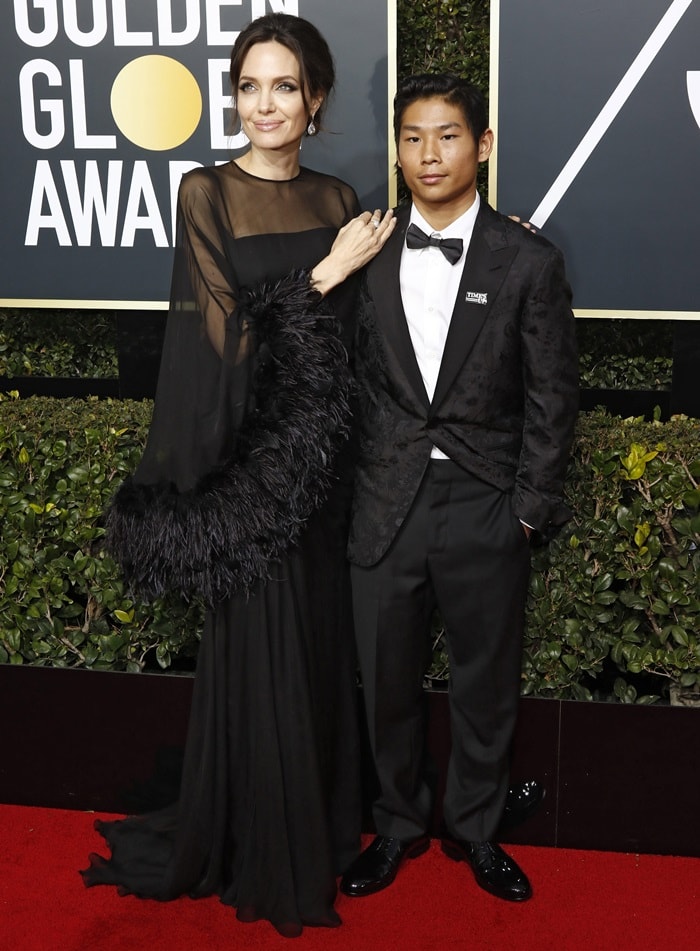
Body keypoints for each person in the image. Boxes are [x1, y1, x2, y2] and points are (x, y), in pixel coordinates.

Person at [81, 14, 395, 938]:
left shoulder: (340, 198)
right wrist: (325, 277)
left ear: (316, 101)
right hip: (249, 481)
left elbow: (365, 349)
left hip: (324, 474)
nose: (265, 105)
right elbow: (226, 343)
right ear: (233, 96)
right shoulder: (206, 192)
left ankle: (327, 825)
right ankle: (263, 841)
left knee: (321, 649)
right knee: (262, 652)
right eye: (250, 86)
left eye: (285, 87)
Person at [341, 74, 579, 904]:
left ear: (481, 145)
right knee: (386, 677)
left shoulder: (529, 260)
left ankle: (476, 829)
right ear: (397, 148)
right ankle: (397, 824)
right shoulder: (363, 251)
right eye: (412, 137)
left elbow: (554, 397)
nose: (428, 153)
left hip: (486, 504)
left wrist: (525, 512)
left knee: (486, 681)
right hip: (384, 504)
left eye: (447, 136)